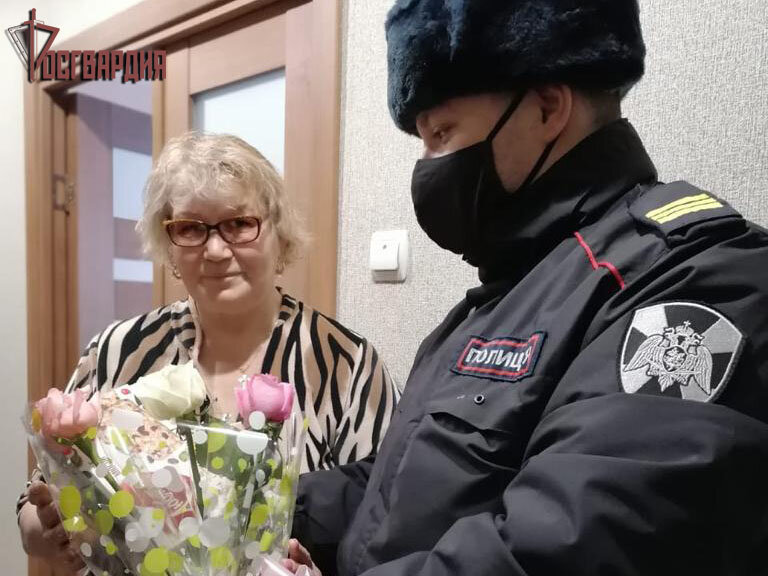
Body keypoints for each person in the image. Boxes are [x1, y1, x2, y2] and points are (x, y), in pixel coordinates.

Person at [286, 1, 768, 575]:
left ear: (547, 108)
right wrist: (261, 499)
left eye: (441, 133)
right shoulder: (506, 294)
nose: (427, 165)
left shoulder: (692, 279)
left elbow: (563, 551)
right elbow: (394, 483)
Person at [17, 132, 400, 574]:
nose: (216, 250)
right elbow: (34, 511)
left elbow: (392, 523)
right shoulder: (118, 350)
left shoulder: (346, 365)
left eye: (239, 223)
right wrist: (49, 527)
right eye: (191, 228)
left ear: (278, 233)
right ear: (170, 245)